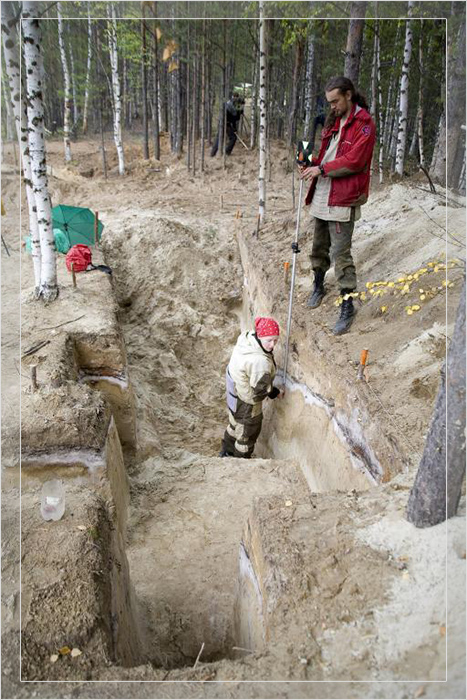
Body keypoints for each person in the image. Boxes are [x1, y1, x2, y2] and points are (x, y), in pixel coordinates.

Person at [300, 76, 376, 335]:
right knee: (318, 246)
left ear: (348, 95)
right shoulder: (332, 120)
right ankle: (318, 285)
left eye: (335, 101)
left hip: (343, 197)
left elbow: (354, 161)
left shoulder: (364, 124)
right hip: (322, 192)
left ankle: (347, 306)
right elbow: (322, 153)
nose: (331, 106)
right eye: (329, 102)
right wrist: (306, 158)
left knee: (341, 255)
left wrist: (320, 168)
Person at [220, 317, 282, 459]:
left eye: (276, 340)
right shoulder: (260, 362)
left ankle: (226, 452)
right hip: (247, 403)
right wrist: (274, 392)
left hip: (233, 392)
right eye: (269, 340)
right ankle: (239, 461)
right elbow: (260, 391)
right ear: (260, 336)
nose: (272, 345)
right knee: (246, 435)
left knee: (234, 425)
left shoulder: (246, 339)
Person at [210, 92, 245, 157]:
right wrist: (240, 111)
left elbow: (234, 118)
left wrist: (234, 128)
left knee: (220, 137)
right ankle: (226, 152)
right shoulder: (231, 105)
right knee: (232, 138)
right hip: (225, 123)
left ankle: (213, 153)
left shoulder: (231, 103)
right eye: (235, 97)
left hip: (225, 123)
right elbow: (235, 116)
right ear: (233, 97)